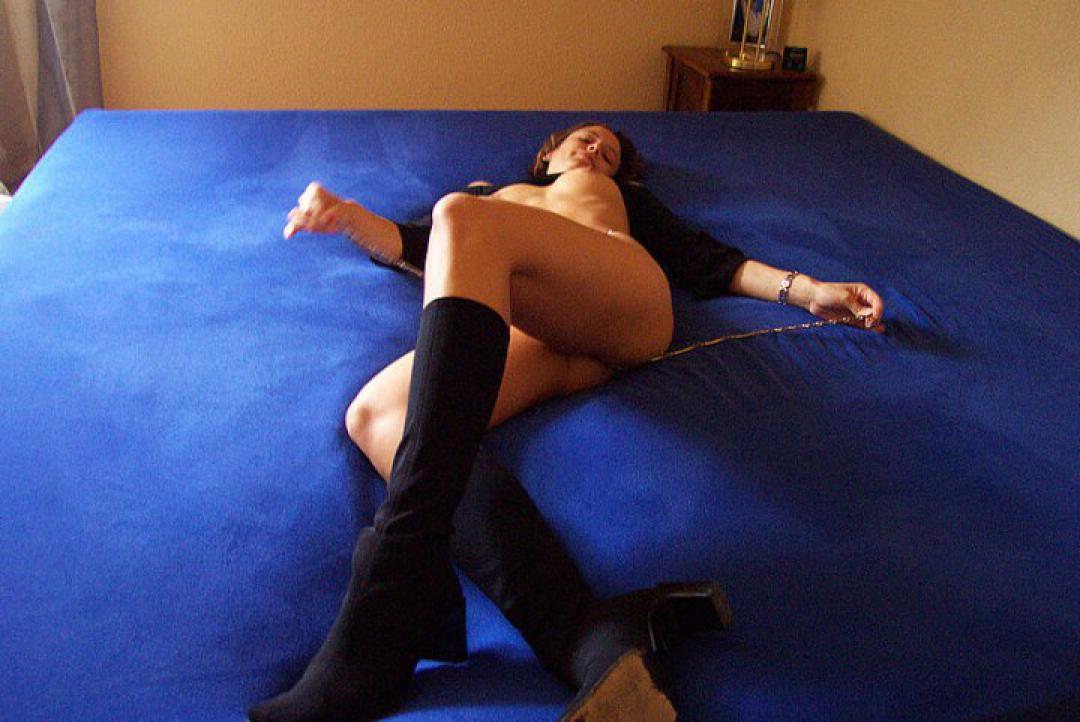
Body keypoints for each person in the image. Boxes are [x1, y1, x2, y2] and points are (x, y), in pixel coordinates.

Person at [249, 122, 885, 722]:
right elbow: (414, 249)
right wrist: (348, 216)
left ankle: (394, 590)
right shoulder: (495, 198)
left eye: (609, 156)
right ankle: (581, 634)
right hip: (536, 334)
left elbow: (709, 262)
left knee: (461, 216)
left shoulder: (609, 198)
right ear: (547, 153)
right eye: (585, 143)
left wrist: (807, 289)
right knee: (375, 414)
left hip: (620, 303)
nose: (594, 155)